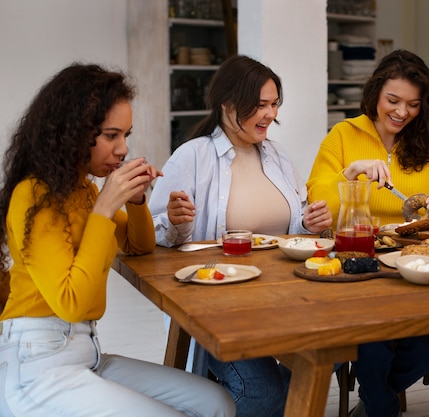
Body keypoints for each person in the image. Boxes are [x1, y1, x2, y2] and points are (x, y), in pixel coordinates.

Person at [0, 63, 235, 417]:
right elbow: (71, 303)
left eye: (126, 135)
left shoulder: (83, 191)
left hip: (86, 352)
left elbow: (139, 246)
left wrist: (137, 199)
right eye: (112, 135)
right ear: (73, 132)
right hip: (38, 365)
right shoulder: (35, 196)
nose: (123, 148)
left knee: (216, 403)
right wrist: (106, 208)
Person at [307, 50, 429, 417]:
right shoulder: (343, 136)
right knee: (374, 341)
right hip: (360, 261)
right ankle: (380, 409)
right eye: (392, 101)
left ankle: (376, 402)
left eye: (412, 104)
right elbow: (322, 201)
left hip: (420, 266)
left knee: (428, 343)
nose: (401, 112)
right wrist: (350, 173)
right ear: (375, 93)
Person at [149, 55, 332, 417]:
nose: (269, 114)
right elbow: (153, 233)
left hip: (284, 296)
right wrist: (174, 221)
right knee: (261, 396)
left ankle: (280, 400)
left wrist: (311, 223)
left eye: (274, 104)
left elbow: (296, 228)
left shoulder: (278, 156)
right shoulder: (193, 156)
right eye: (259, 105)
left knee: (338, 348)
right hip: (223, 306)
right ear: (228, 105)